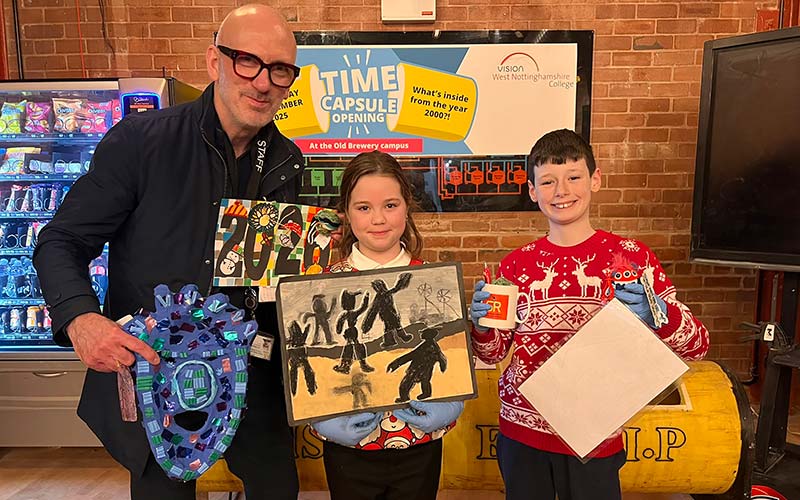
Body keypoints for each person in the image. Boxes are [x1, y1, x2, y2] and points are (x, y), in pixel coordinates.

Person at [33, 5, 304, 499]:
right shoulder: (141, 142)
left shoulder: (288, 161)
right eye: (247, 61)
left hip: (251, 379)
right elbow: (60, 241)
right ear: (213, 61)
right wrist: (80, 319)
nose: (263, 82)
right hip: (155, 376)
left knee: (277, 487)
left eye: (280, 69)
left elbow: (284, 278)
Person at [469, 129, 710, 500]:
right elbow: (492, 354)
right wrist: (482, 324)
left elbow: (697, 346)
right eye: (547, 181)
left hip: (595, 434)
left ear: (595, 180)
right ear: (533, 191)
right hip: (522, 432)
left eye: (573, 177)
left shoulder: (631, 257)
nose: (561, 191)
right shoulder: (515, 265)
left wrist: (657, 314)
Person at [311, 151, 464, 500]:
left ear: (407, 206)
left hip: (419, 444)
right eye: (363, 207)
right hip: (348, 449)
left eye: (390, 205)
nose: (378, 219)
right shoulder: (321, 286)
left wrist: (453, 403)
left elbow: (452, 360)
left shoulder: (434, 282)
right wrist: (319, 417)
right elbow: (310, 367)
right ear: (347, 212)